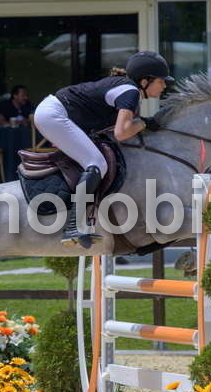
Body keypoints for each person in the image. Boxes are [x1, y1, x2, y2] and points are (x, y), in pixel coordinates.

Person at [33, 50, 172, 247]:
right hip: (53, 115)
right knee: (96, 163)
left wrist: (142, 122)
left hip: (54, 112)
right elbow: (121, 132)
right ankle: (72, 226)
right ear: (144, 81)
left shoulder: (130, 90)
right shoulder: (131, 92)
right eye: (161, 81)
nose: (164, 86)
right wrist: (144, 123)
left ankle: (88, 219)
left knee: (98, 160)